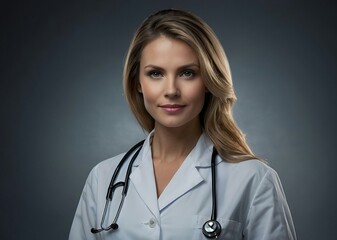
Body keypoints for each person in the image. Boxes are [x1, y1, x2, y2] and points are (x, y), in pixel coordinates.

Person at [69, 9, 297, 240]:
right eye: (156, 73)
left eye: (187, 73)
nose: (171, 91)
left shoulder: (253, 179)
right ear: (137, 82)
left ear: (209, 80)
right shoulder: (103, 178)